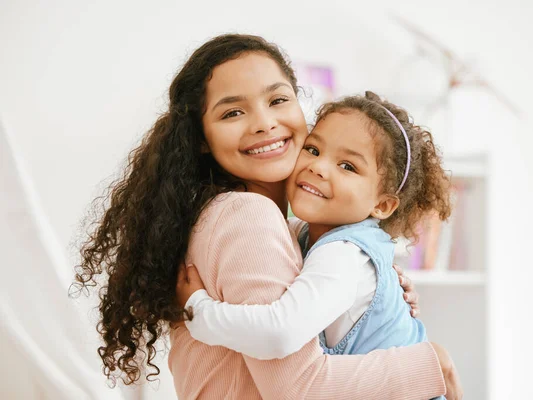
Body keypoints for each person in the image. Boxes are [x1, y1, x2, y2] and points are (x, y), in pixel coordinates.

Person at [73, 33, 461, 399]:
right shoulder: (249, 215)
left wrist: (376, 290)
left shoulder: (245, 218)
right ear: (201, 139)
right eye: (233, 112)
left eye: (277, 100)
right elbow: (297, 386)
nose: (263, 123)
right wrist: (430, 364)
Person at [176, 92, 452, 400]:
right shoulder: (314, 236)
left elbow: (279, 333)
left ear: (383, 204)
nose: (319, 167)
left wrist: (199, 312)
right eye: (313, 148)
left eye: (347, 166)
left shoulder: (343, 255)